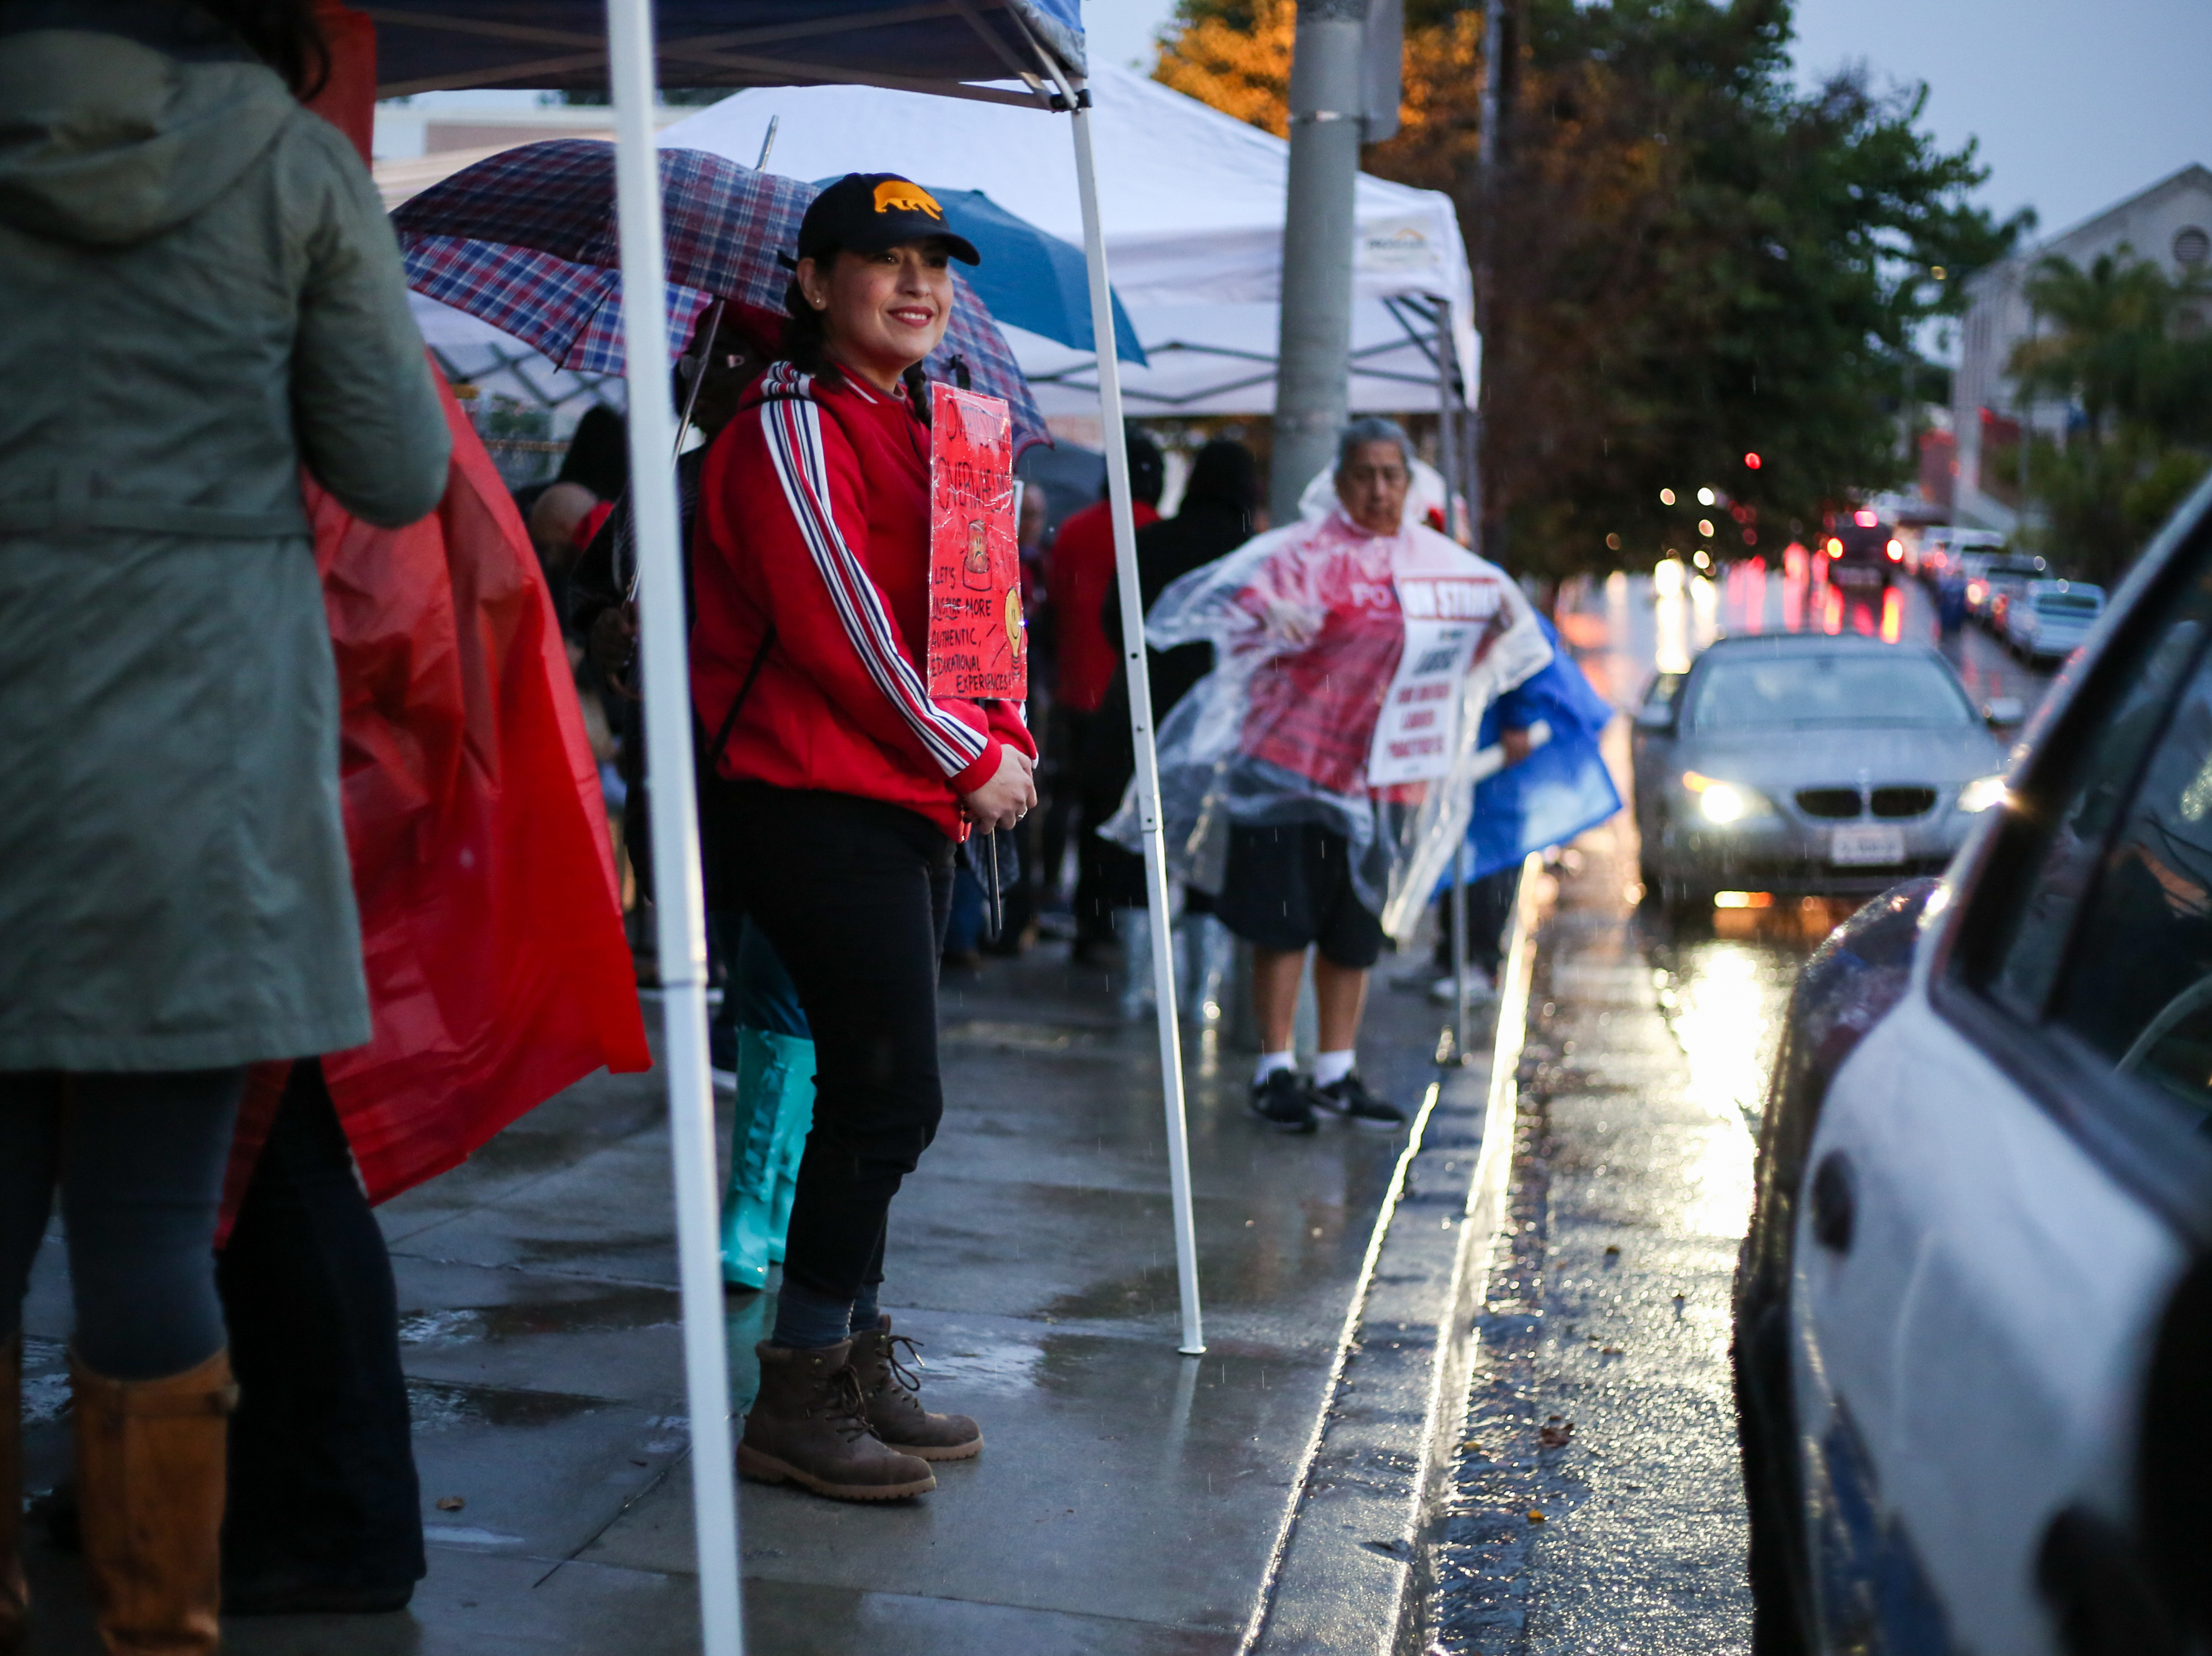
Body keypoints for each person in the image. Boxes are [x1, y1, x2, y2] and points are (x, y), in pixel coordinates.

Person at [0, 0, 450, 1648]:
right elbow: (395, 470)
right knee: (144, 1222)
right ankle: (155, 1625)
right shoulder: (286, 164)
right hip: (195, 781)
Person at [690, 172, 1036, 1501]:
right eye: (882, 261)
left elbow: (971, 616)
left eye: (933, 266)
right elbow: (841, 629)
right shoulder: (788, 424)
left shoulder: (939, 428)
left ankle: (848, 1352)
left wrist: (1001, 729)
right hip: (808, 794)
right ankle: (798, 1384)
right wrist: (969, 753)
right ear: (812, 281)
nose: (916, 285)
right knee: (891, 1093)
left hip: (905, 798)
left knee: (869, 1091)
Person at [1126, 420, 1549, 1134]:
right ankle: (1274, 1068)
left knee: (1355, 928)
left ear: (1410, 485)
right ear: (1339, 479)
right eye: (1364, 473)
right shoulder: (1301, 555)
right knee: (1283, 923)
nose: (1379, 488)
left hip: (1387, 778)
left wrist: (1495, 626)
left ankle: (1335, 1069)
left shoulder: (1439, 565)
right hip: (1288, 769)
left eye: (1392, 474)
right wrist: (1272, 616)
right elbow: (1241, 609)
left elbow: (1464, 658)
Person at [1048, 433, 1164, 958]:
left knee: (1078, 808)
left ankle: (1079, 914)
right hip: (1126, 700)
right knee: (1126, 814)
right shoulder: (1152, 532)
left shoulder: (1073, 529)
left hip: (1075, 692)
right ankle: (1117, 919)